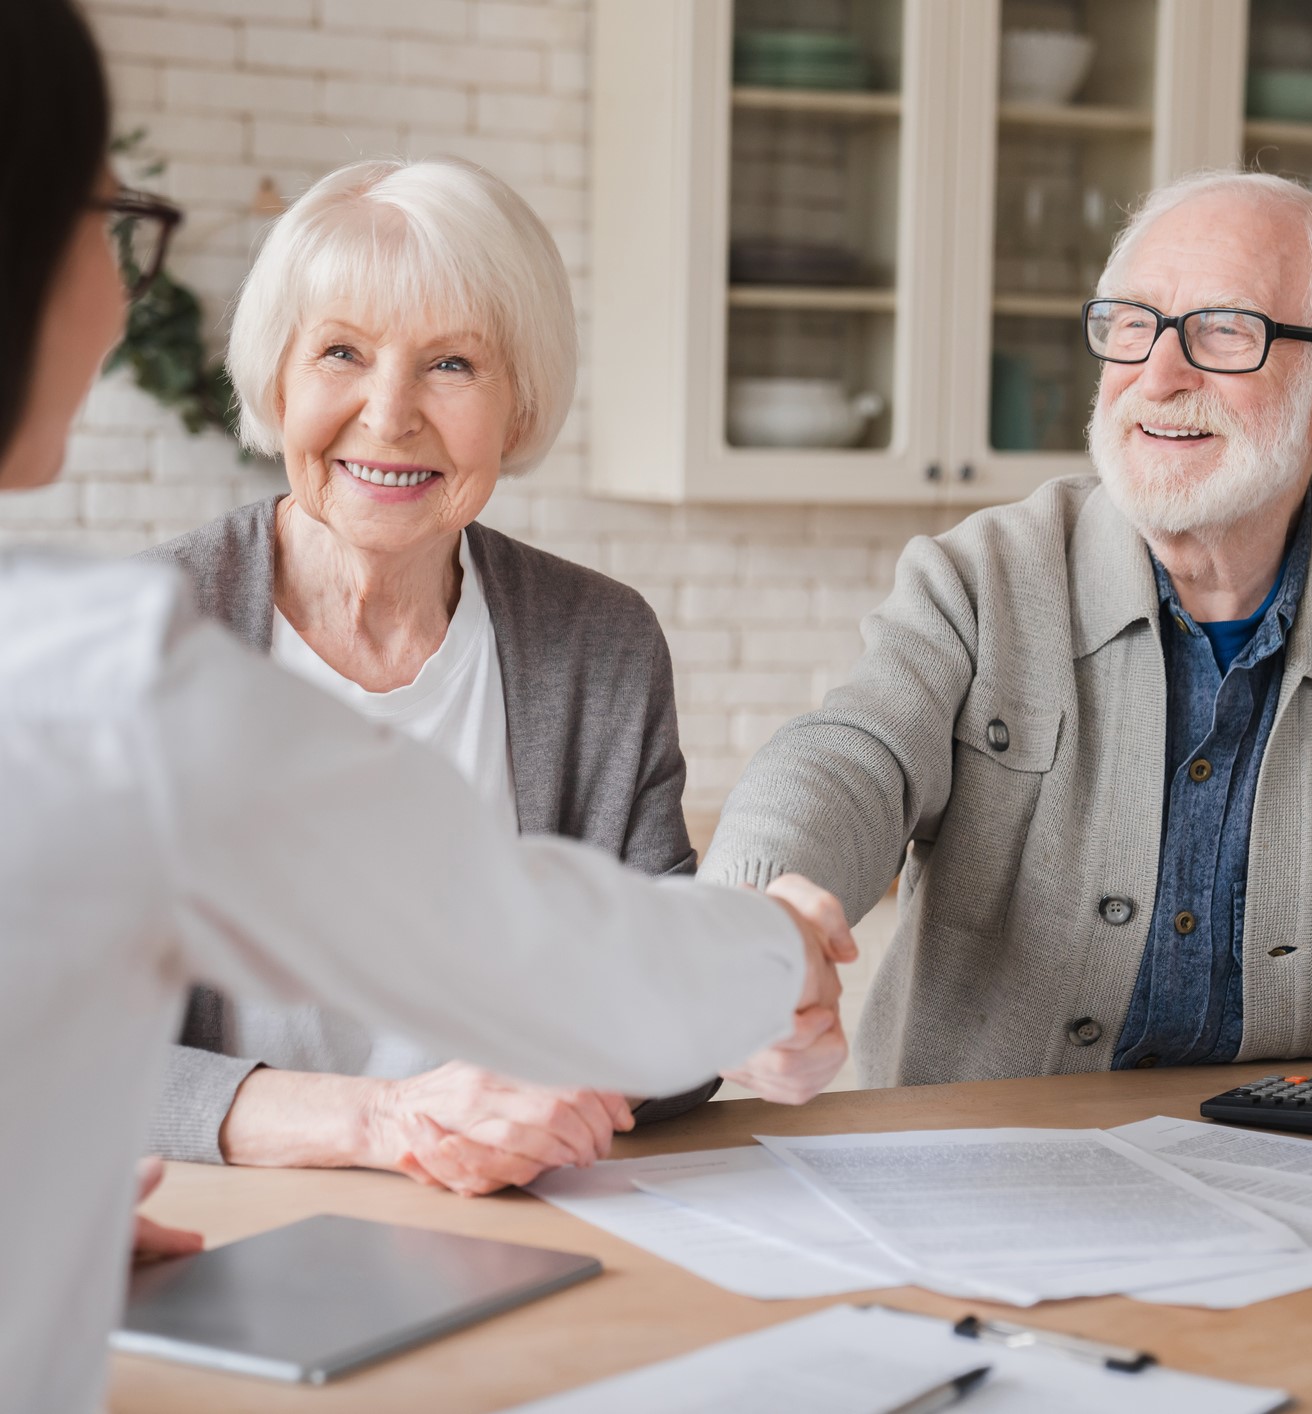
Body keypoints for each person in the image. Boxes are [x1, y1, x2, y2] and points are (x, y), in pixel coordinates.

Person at [0, 5, 855, 1411]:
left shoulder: (587, 637)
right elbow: (512, 934)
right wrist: (775, 955)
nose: (118, 290)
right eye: (113, 222)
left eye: (450, 363)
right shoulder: (110, 670)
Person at [138, 157, 844, 1197]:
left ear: (518, 410)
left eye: (453, 364)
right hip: (220, 1219)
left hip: (522, 1220)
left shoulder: (598, 643)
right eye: (342, 351)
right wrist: (388, 1121)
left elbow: (648, 1026)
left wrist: (739, 1008)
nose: (388, 414)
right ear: (278, 380)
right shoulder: (143, 644)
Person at [704, 168, 1312, 1088]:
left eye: (1226, 332)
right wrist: (754, 916)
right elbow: (849, 756)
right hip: (981, 1191)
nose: (1157, 377)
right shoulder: (980, 578)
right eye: (1132, 325)